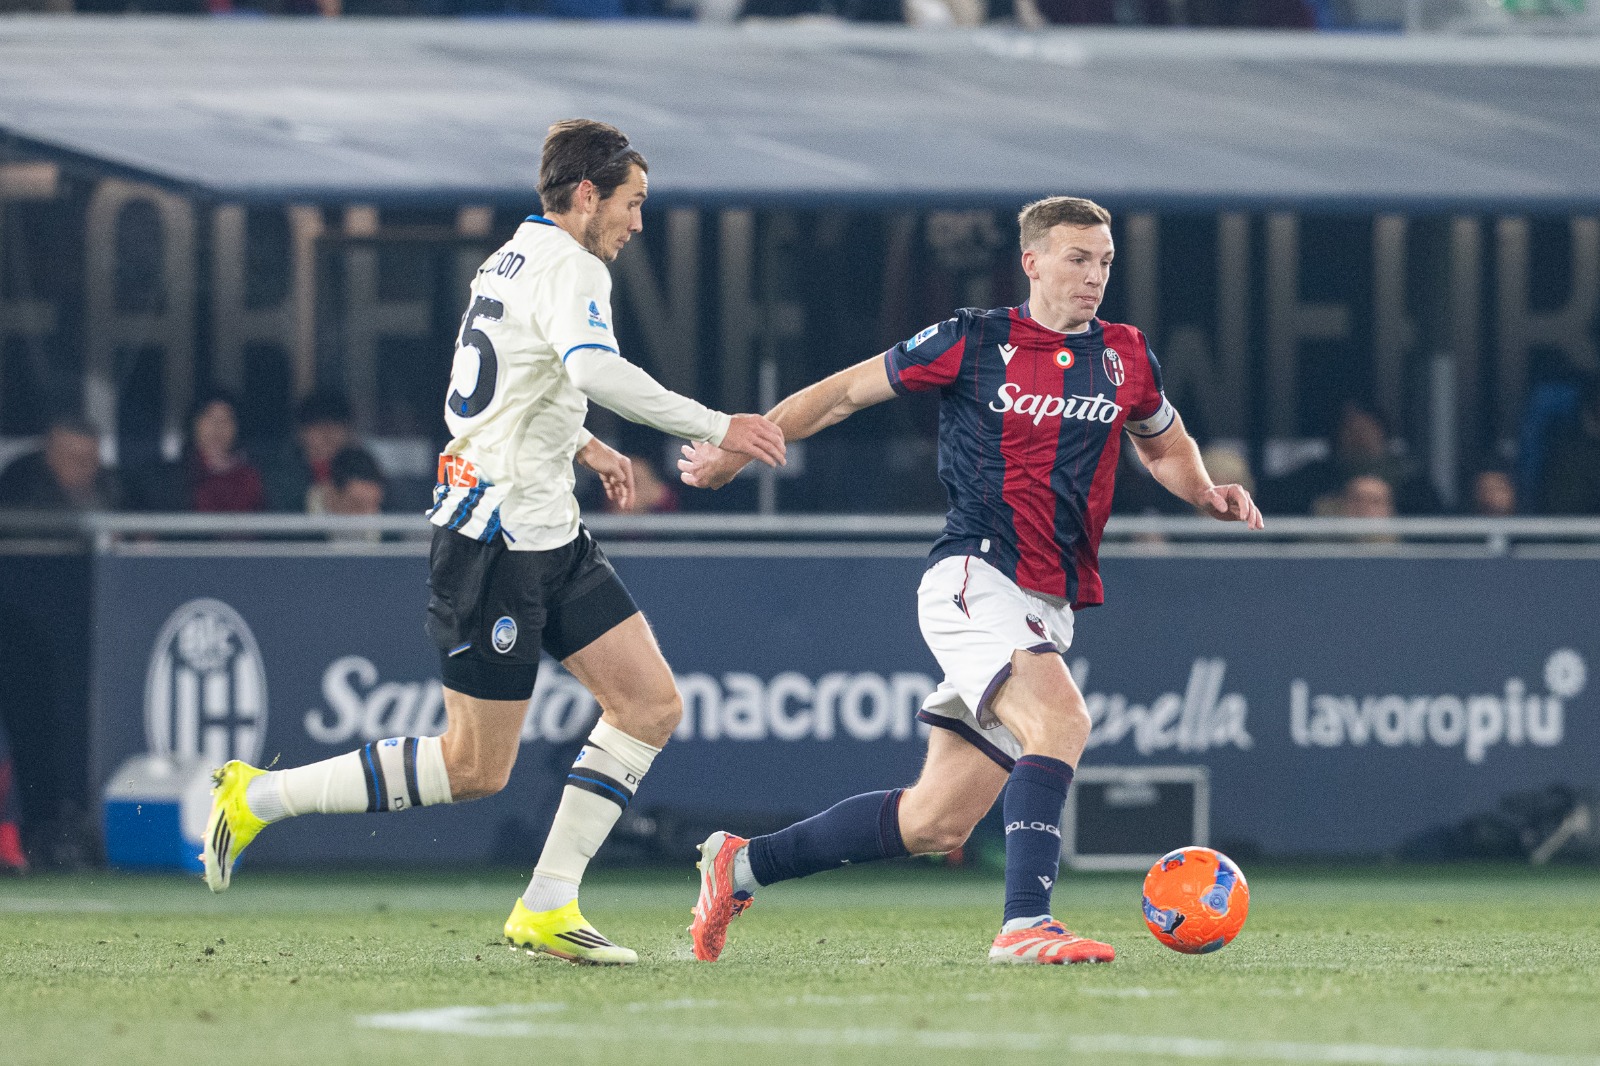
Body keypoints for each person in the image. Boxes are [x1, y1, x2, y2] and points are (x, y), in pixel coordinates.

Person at [198, 119, 785, 966]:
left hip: (549, 530)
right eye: (633, 202)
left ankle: (547, 904)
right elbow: (589, 368)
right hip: (495, 539)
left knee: (651, 704)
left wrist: (581, 442)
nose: (638, 222)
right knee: (475, 767)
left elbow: (511, 378)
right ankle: (260, 795)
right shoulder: (571, 264)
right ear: (587, 196)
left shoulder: (513, 254)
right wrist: (718, 424)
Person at [678, 196, 1263, 966]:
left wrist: (1202, 491)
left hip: (1050, 602)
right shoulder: (972, 339)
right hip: (975, 573)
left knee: (935, 824)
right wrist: (739, 439)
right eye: (1078, 259)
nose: (1095, 277)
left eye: (1105, 262)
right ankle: (1026, 923)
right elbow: (845, 393)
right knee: (1063, 723)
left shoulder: (1125, 355)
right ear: (1033, 261)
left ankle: (741, 865)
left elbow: (1162, 439)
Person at [262, 391, 355, 513]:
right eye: (318, 426)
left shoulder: (362, 471)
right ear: (301, 432)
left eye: (336, 425)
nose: (327, 434)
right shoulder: (278, 474)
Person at [0, 417, 121, 511]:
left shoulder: (114, 488)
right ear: (50, 458)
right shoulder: (20, 493)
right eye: (75, 459)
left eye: (91, 459)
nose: (85, 466)